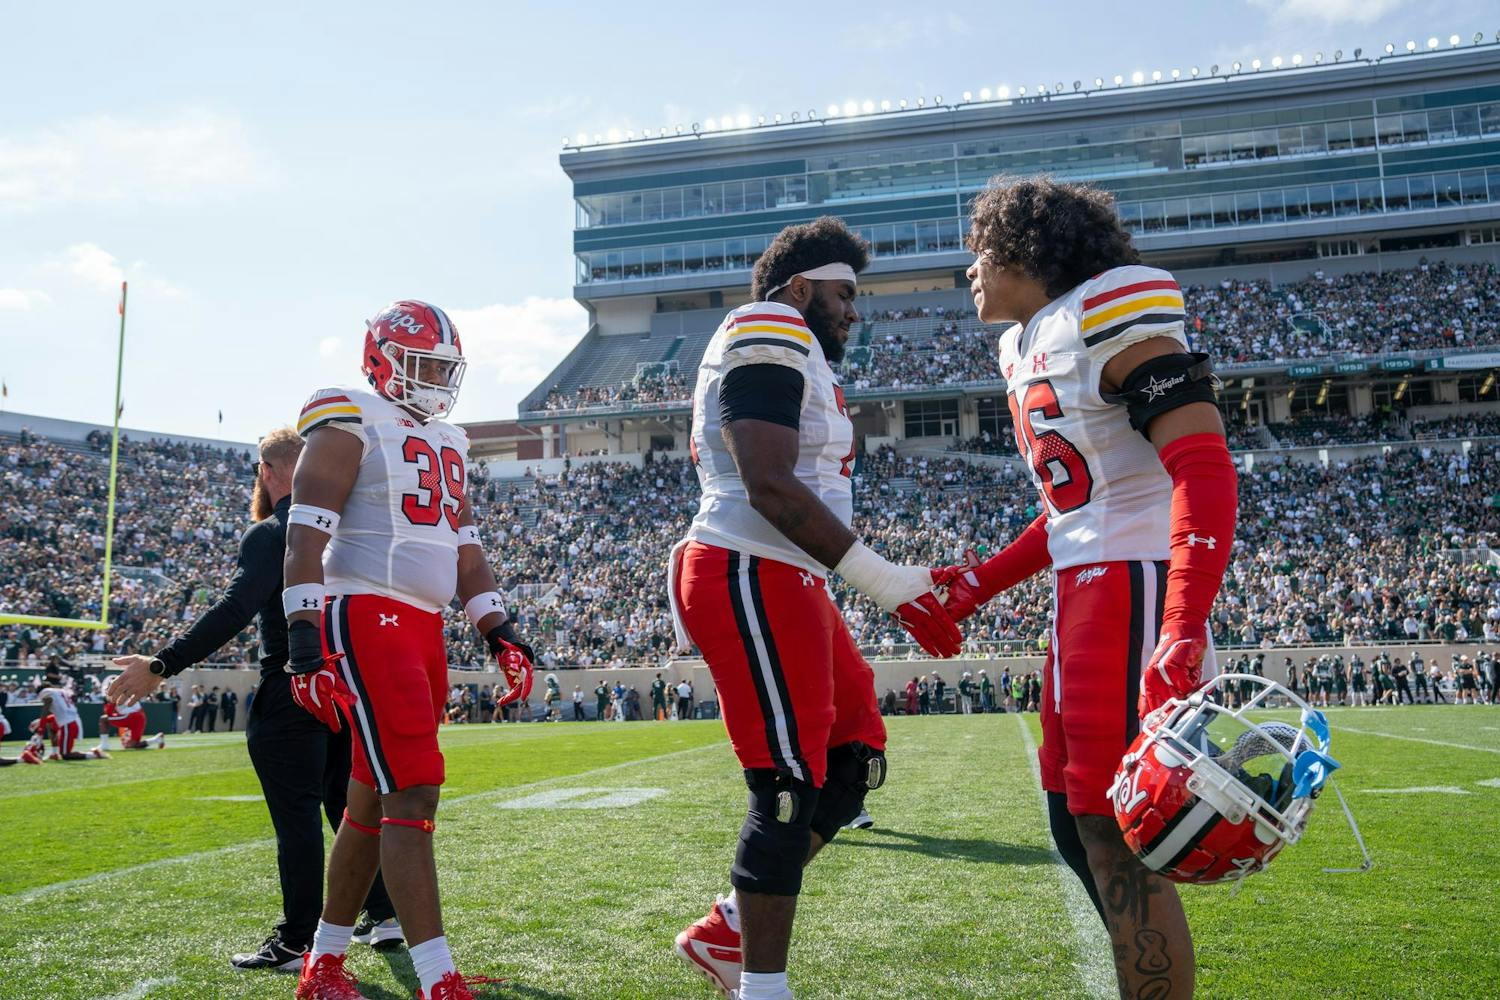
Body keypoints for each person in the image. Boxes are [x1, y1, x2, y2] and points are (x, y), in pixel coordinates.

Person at [941, 176, 1236, 998]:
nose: (968, 265)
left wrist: (1182, 619)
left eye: (980, 246)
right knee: (1077, 829)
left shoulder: (1112, 308)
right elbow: (1073, 511)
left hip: (1135, 587)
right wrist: (975, 587)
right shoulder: (1029, 341)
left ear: (1026, 247)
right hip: (1084, 593)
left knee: (1119, 836)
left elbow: (1202, 465)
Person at [669, 217, 960, 1000]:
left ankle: (731, 923)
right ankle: (762, 986)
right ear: (800, 288)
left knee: (854, 758)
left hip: (792, 576)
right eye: (843, 294)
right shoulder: (768, 324)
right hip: (745, 565)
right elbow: (765, 481)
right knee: (788, 781)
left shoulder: (798, 346)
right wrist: (885, 581)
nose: (852, 312)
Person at [282, 300, 531, 1000]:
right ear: (381, 360)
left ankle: (323, 964)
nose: (433, 379)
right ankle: (437, 978)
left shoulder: (449, 437)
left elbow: (468, 550)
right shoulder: (347, 420)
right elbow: (304, 540)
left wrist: (499, 632)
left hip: (421, 625)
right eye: (420, 363)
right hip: (366, 612)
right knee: (414, 788)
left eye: (442, 367)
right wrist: (304, 644)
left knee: (369, 799)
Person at [107, 426, 399, 973]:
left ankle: (298, 940)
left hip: (292, 687)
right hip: (346, 687)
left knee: (298, 820)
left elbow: (233, 608)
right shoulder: (346, 530)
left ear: (267, 471)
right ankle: (383, 913)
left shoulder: (274, 533)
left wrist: (161, 663)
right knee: (345, 809)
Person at [94, 695, 166, 755]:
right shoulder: (128, 694)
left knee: (103, 719)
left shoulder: (118, 695)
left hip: (132, 717)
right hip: (140, 718)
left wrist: (110, 701)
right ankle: (156, 739)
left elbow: (108, 713)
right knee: (132, 746)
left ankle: (104, 745)